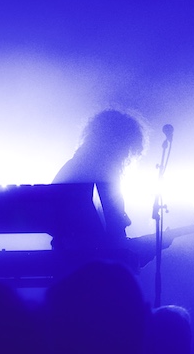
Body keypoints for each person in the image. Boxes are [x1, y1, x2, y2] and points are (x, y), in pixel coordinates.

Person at [51, 108, 155, 269]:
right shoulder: (106, 176)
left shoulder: (71, 167)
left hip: (67, 256)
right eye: (126, 149)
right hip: (93, 264)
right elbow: (115, 237)